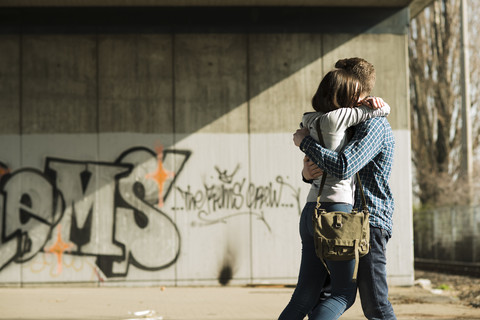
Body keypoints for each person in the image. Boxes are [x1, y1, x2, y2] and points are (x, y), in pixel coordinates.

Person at [278, 67, 390, 320]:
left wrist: (304, 154)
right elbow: (343, 165)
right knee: (342, 293)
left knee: (305, 294)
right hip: (337, 214)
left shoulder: (309, 119)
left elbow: (311, 153)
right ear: (346, 95)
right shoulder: (339, 118)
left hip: (310, 211)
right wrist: (376, 104)